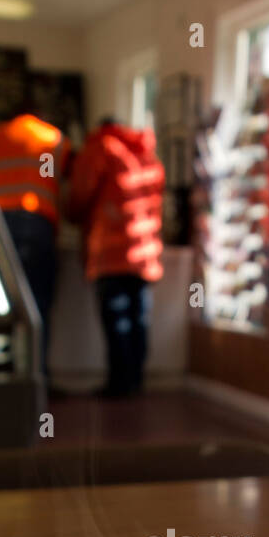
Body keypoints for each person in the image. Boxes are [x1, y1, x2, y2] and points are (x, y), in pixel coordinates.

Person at [65, 117, 164, 397]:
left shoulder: (100, 148)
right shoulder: (145, 152)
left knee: (117, 319)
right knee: (137, 318)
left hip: (111, 250)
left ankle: (120, 384)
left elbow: (80, 194)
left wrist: (70, 215)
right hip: (144, 252)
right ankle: (135, 380)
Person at [0, 113, 71, 386]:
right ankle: (36, 378)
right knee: (36, 304)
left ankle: (1, 376)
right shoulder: (51, 137)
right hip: (35, 224)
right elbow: (59, 185)